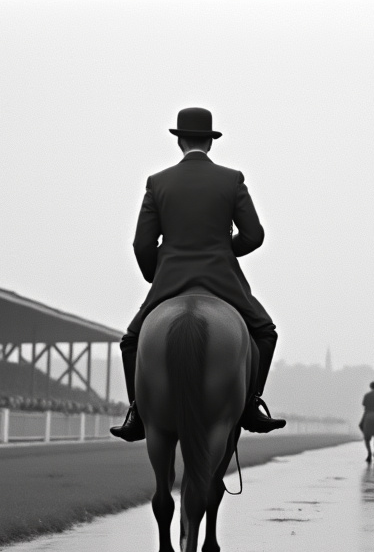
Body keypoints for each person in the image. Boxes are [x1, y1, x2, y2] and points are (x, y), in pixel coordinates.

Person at [111, 107, 284, 441]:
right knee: (265, 332)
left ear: (180, 141)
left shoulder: (158, 182)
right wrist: (224, 250)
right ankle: (251, 405)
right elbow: (254, 236)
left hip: (170, 279)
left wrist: (155, 274)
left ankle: (137, 413)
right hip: (222, 279)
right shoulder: (232, 179)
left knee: (131, 341)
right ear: (210, 141)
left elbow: (142, 243)